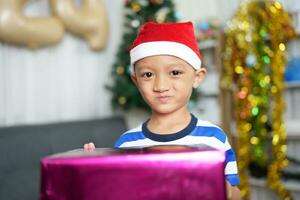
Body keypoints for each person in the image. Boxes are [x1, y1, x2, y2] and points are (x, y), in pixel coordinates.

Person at [84, 21, 240, 199]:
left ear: (197, 78)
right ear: (136, 82)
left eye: (174, 73)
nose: (161, 86)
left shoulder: (214, 138)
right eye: (148, 75)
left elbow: (236, 194)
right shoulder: (126, 145)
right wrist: (94, 172)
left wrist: (223, 187)